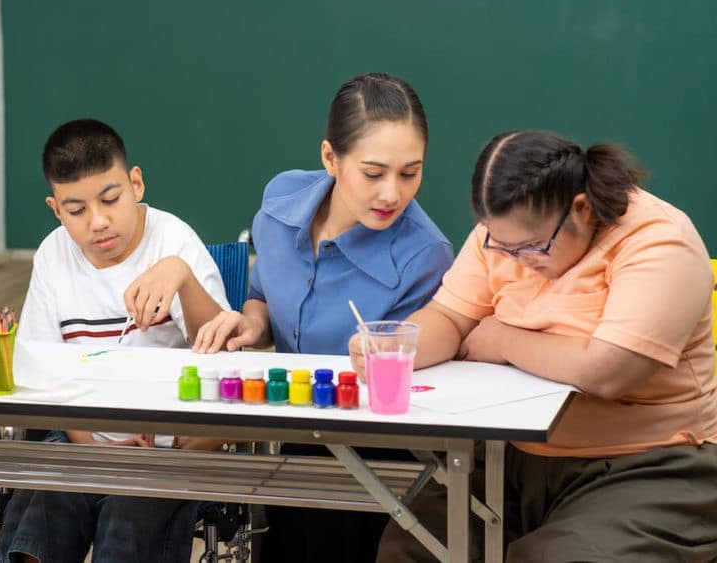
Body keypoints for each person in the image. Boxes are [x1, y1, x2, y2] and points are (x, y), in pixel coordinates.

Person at [349, 130, 717, 561]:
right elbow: (450, 318)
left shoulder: (657, 240)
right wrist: (395, 346)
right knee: (410, 547)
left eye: (531, 248)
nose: (516, 259)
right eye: (499, 245)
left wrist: (503, 338)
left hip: (649, 461)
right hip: (512, 457)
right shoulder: (507, 233)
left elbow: (608, 371)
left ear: (579, 208)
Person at [195, 73, 454, 562]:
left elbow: (411, 382)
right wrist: (253, 322)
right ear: (330, 158)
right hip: (288, 439)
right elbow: (262, 292)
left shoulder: (425, 255)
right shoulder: (279, 203)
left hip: (375, 463)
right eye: (374, 173)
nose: (393, 194)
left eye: (410, 172)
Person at [0, 119, 230, 563]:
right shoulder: (52, 254)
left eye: (110, 199)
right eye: (76, 210)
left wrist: (180, 275)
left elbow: (221, 354)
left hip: (164, 449)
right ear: (56, 209)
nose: (98, 222)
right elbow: (43, 375)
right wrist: (93, 447)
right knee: (42, 508)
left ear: (136, 183)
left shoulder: (172, 240)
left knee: (129, 519)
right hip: (80, 438)